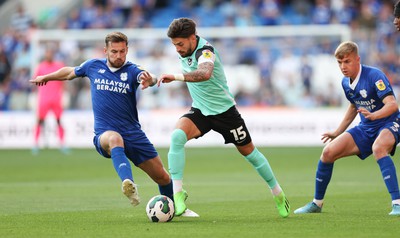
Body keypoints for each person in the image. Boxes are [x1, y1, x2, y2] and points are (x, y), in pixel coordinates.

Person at [157, 18, 290, 218]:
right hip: (200, 111)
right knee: (177, 137)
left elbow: (205, 73)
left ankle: (278, 193)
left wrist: (176, 77)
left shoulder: (206, 51)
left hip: (225, 113)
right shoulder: (185, 49)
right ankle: (177, 195)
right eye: (174, 45)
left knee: (250, 153)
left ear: (193, 38)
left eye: (180, 44)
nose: (177, 49)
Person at [30, 31, 173, 206]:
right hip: (105, 134)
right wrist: (47, 77)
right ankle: (129, 184)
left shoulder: (132, 70)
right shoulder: (93, 66)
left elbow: (149, 77)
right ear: (105, 50)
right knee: (114, 138)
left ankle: (173, 208)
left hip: (133, 133)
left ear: (127, 49)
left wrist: (150, 80)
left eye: (122, 51)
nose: (119, 55)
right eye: (114, 51)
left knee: (163, 177)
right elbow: (69, 73)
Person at [294, 41, 400, 216]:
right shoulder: (345, 83)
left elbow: (392, 105)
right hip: (366, 127)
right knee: (328, 153)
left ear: (357, 59)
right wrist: (337, 132)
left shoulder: (375, 76)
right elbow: (353, 107)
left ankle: (397, 203)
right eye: (340, 62)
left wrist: (375, 115)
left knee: (379, 148)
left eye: (347, 61)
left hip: (390, 123)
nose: (343, 66)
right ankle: (316, 204)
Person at [32, 47, 67, 154]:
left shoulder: (59, 66)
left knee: (59, 120)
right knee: (40, 121)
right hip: (44, 98)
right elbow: (35, 82)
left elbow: (64, 81)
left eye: (51, 53)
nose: (49, 55)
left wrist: (64, 95)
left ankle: (62, 144)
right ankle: (36, 144)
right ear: (45, 55)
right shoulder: (40, 67)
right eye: (48, 53)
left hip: (56, 98)